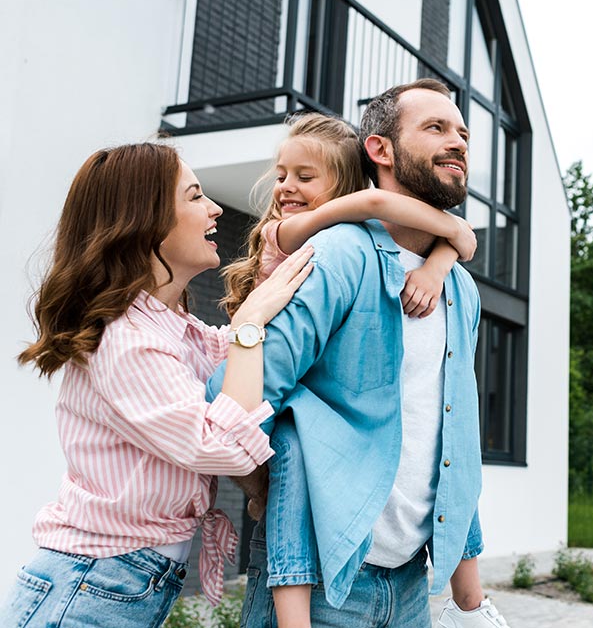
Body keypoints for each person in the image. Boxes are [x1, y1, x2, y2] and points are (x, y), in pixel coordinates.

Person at [208, 79, 508, 627]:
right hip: (318, 588)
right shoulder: (337, 254)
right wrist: (266, 493)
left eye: (463, 132)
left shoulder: (461, 289)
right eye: (436, 128)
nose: (459, 141)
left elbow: (454, 443)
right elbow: (239, 395)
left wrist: (473, 601)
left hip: (412, 587)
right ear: (381, 150)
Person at [1, 143, 315, 627]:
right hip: (91, 586)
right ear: (143, 221)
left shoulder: (171, 327)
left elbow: (233, 357)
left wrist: (270, 280)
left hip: (113, 581)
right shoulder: (126, 339)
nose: (214, 209)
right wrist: (252, 320)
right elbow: (225, 446)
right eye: (194, 197)